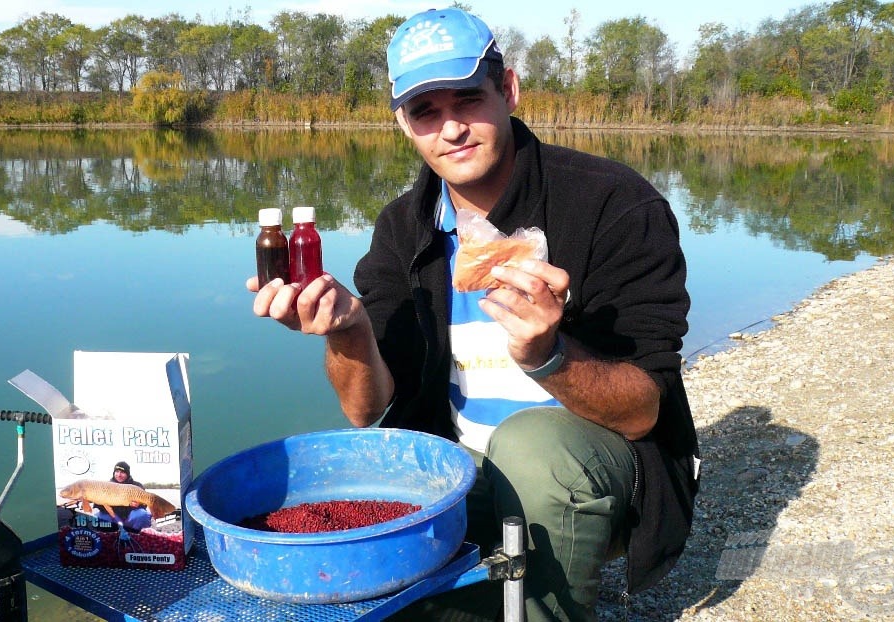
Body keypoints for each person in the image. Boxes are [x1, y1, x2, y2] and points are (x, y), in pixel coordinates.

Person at [247, 8, 700, 620]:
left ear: (508, 90)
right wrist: (349, 330)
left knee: (532, 444)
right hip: (458, 469)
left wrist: (551, 354)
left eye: (468, 99)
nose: (452, 128)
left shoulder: (612, 204)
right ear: (405, 124)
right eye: (426, 111)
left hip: (596, 471)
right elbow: (365, 409)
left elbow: (646, 410)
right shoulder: (402, 228)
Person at [97, 461, 152, 532]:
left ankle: (136, 535)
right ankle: (110, 537)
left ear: (127, 474)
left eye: (122, 472)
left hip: (130, 518)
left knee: (143, 514)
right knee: (99, 517)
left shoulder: (137, 486)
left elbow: (144, 505)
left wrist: (138, 504)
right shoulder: (106, 486)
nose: (119, 475)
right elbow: (98, 505)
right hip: (114, 518)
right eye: (117, 471)